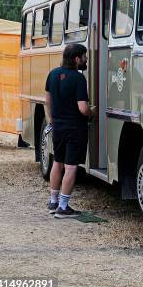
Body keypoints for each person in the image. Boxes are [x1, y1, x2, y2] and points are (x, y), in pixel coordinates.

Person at [44, 43, 95, 219]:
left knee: (57, 162)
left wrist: (52, 119)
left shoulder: (52, 74)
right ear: (76, 59)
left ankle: (53, 201)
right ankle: (64, 207)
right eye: (84, 56)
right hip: (75, 128)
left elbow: (48, 101)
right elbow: (82, 108)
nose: (86, 59)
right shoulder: (78, 78)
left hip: (57, 126)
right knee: (71, 166)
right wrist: (91, 112)